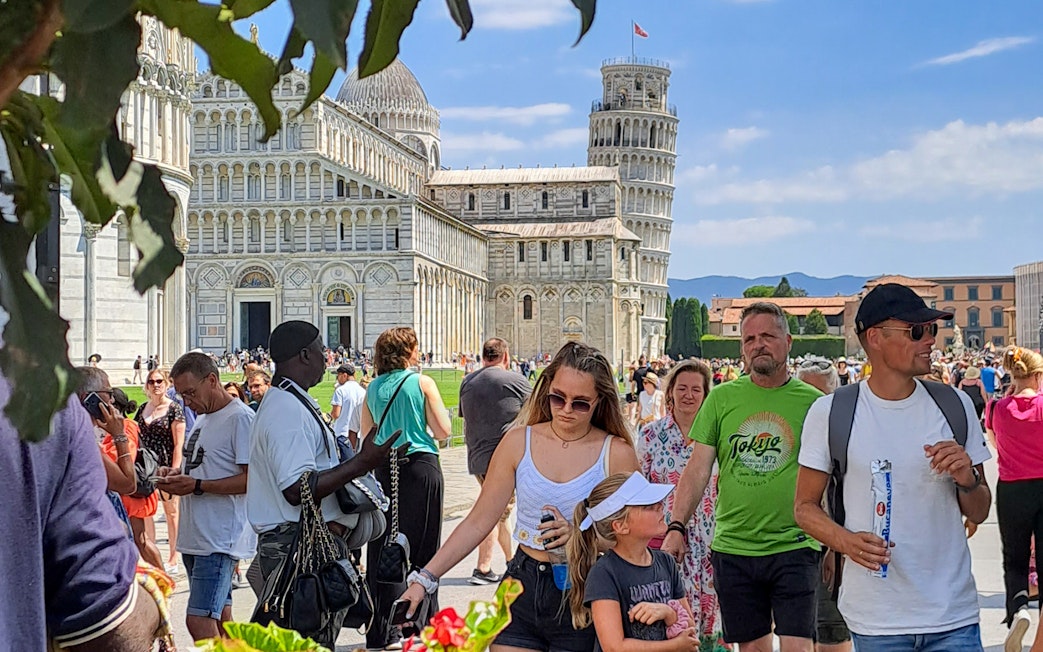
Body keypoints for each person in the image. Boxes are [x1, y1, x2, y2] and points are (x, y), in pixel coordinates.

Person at [399, 342, 639, 652]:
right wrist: (425, 579)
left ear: (599, 402)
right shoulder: (518, 440)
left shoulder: (616, 453)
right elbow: (479, 520)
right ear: (546, 390)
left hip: (584, 590)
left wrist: (581, 536)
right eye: (558, 398)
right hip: (520, 585)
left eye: (580, 403)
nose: (566, 410)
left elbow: (635, 536)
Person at [795, 283, 991, 652]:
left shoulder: (955, 405)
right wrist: (846, 543)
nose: (930, 340)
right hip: (877, 618)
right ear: (876, 338)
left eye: (932, 329)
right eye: (916, 331)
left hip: (953, 616)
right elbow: (803, 508)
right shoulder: (833, 412)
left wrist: (967, 479)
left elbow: (979, 511)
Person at [662, 302, 823, 652]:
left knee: (799, 646)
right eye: (750, 338)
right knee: (752, 649)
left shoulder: (814, 403)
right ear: (742, 349)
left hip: (796, 545)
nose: (758, 344)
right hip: (735, 547)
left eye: (768, 335)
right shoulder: (721, 399)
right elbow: (697, 469)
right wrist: (677, 527)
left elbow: (833, 475)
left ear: (788, 341)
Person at [247, 320, 395, 648]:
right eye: (319, 352)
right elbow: (296, 489)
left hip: (304, 546)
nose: (326, 360)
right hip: (297, 550)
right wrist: (361, 464)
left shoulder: (293, 401)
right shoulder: (286, 410)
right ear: (304, 355)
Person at [359, 327, 453, 650]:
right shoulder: (421, 383)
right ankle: (423, 626)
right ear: (407, 351)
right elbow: (443, 430)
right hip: (421, 466)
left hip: (386, 468)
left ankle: (381, 628)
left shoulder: (372, 388)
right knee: (425, 549)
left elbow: (365, 437)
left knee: (384, 547)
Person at [158, 352, 256, 640]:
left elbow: (253, 480)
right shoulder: (204, 417)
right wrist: (175, 475)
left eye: (190, 392)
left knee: (198, 621)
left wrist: (198, 485)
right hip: (196, 536)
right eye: (181, 395)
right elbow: (202, 466)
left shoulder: (240, 418)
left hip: (218, 539)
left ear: (212, 380)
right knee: (222, 618)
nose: (187, 402)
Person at [638, 360, 727, 651]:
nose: (689, 395)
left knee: (716, 615)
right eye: (682, 388)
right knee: (672, 616)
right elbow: (640, 488)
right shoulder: (651, 435)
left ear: (705, 394)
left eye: (696, 389)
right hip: (667, 542)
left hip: (712, 541)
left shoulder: (719, 435)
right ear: (671, 393)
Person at [568, 472, 699, 652]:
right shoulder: (604, 573)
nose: (660, 506)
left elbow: (689, 630)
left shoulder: (666, 562)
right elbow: (614, 647)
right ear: (620, 526)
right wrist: (674, 645)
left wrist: (668, 612)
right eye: (647, 506)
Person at [459, 337, 532, 586]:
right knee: (493, 511)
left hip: (478, 456)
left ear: (483, 357)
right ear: (505, 356)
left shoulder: (467, 381)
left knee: (500, 512)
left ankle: (512, 562)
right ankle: (483, 567)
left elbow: (466, 416)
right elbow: (538, 413)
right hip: (506, 457)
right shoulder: (516, 381)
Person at [988, 346, 1043, 652]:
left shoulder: (997, 409)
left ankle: (1018, 608)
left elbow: (996, 442)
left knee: (1015, 559)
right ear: (1037, 376)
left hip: (1011, 488)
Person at [794, 360, 851, 652]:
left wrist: (833, 548)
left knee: (830, 629)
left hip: (828, 545)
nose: (812, 403)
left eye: (819, 395)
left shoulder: (845, 433)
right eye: (804, 392)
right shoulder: (789, 431)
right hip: (788, 548)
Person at [136, 367, 187, 575]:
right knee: (146, 512)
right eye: (151, 381)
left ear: (166, 384)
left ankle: (173, 556)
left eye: (159, 381)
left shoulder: (174, 408)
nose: (155, 385)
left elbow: (178, 443)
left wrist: (175, 469)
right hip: (146, 467)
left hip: (166, 466)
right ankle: (151, 553)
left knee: (171, 511)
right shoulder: (142, 409)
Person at [330, 363, 366, 453]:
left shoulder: (340, 390)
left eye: (338, 376)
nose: (337, 379)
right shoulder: (362, 391)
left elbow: (335, 414)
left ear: (344, 375)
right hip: (357, 433)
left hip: (342, 432)